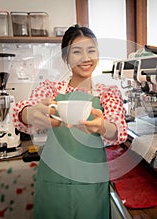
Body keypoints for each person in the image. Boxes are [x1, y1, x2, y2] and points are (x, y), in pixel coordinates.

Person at [13, 24, 128, 219]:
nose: (86, 58)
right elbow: (23, 110)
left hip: (91, 184)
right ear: (65, 57)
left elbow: (118, 129)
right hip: (53, 182)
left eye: (91, 50)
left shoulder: (108, 93)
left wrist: (102, 127)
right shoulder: (50, 88)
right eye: (77, 52)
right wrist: (29, 113)